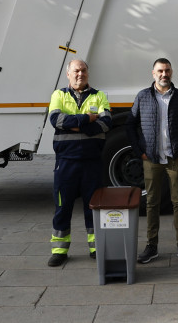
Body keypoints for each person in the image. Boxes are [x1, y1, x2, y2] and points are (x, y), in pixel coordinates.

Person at [126, 58, 178, 264]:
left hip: (175, 157)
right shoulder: (143, 96)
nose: (164, 74)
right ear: (153, 73)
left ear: (171, 72)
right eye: (160, 71)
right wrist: (139, 150)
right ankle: (151, 246)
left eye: (167, 70)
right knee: (152, 203)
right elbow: (130, 125)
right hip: (151, 158)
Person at [47, 59, 112, 267]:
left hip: (92, 163)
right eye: (76, 71)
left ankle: (95, 248)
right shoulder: (59, 95)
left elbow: (106, 122)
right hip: (66, 163)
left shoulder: (99, 95)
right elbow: (56, 121)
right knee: (62, 206)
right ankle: (59, 250)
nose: (80, 74)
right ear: (68, 74)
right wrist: (88, 119)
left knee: (93, 207)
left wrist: (75, 123)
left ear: (88, 73)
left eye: (83, 70)